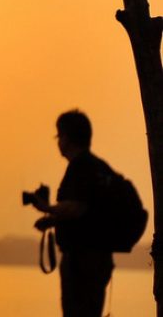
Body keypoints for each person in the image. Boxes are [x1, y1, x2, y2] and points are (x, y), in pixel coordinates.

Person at [31, 110, 115, 317]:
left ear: (67, 138)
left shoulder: (82, 168)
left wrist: (47, 208)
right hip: (92, 260)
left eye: (59, 136)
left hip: (83, 263)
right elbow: (84, 211)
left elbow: (77, 207)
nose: (58, 141)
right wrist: (52, 221)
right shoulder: (96, 168)